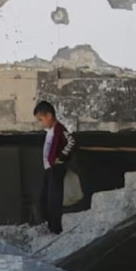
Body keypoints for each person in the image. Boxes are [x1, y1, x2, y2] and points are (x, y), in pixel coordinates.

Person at [33, 100, 76, 234]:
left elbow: (71, 142)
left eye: (41, 119)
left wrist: (61, 157)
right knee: (43, 198)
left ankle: (55, 228)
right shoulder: (50, 131)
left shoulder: (59, 129)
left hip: (56, 168)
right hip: (49, 168)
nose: (41, 123)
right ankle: (46, 225)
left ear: (49, 116)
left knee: (54, 199)